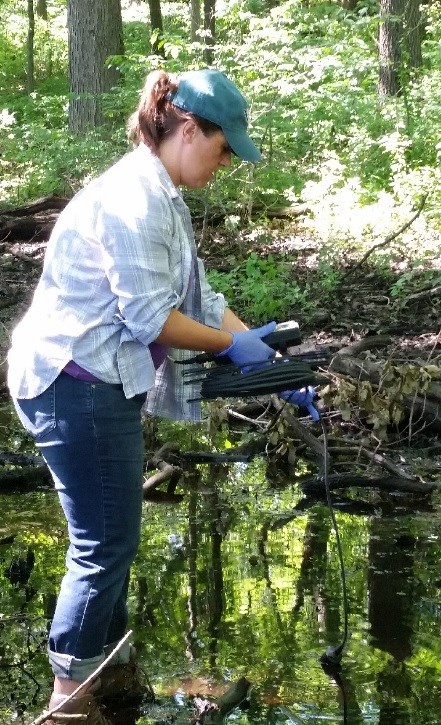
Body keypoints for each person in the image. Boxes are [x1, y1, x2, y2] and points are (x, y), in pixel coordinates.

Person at [7, 68, 315, 725]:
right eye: (222, 145)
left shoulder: (161, 194)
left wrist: (280, 371)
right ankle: (67, 703)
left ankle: (113, 683)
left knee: (112, 535)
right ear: (184, 127)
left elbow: (201, 300)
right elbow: (152, 318)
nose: (226, 160)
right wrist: (230, 347)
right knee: (103, 544)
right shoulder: (133, 198)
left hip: (96, 382)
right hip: (72, 382)